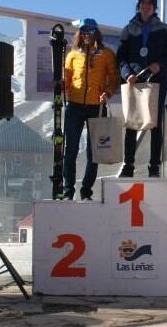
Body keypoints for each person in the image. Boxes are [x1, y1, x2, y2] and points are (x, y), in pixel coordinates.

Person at [116, 0, 167, 177]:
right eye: (143, 3)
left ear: (154, 7)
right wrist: (127, 74)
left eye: (150, 4)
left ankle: (154, 167)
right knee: (131, 123)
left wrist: (159, 65)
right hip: (134, 81)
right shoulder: (128, 29)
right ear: (139, 5)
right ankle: (129, 165)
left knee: (155, 125)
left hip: (156, 81)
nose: (146, 6)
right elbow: (121, 58)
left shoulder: (165, 29)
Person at [61, 18, 119, 200]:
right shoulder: (72, 55)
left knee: (94, 152)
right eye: (84, 31)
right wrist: (62, 86)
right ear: (79, 33)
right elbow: (67, 80)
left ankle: (86, 191)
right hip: (75, 106)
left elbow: (115, 77)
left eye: (91, 31)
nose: (87, 34)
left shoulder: (107, 54)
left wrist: (108, 93)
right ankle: (68, 191)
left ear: (97, 33)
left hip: (97, 107)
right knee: (70, 150)